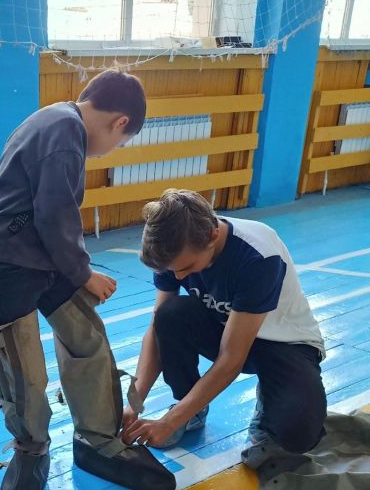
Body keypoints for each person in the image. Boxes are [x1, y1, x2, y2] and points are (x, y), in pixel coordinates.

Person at [0, 70, 175, 490]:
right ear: (120, 122)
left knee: (87, 340)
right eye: (120, 143)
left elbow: (54, 217)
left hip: (45, 257)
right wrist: (84, 275)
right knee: (20, 367)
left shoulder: (56, 118)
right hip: (11, 262)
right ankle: (32, 448)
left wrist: (75, 271)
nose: (111, 151)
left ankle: (96, 439)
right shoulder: (64, 133)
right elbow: (54, 217)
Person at [122, 189, 327, 455]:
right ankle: (189, 406)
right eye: (173, 271)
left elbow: (232, 359)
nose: (180, 276)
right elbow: (156, 329)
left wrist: (169, 422)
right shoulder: (174, 246)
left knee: (298, 435)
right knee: (170, 314)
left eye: (186, 267)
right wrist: (133, 404)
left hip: (283, 342)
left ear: (212, 236)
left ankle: (269, 398)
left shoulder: (258, 257)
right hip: (226, 326)